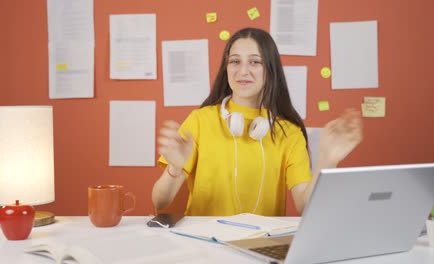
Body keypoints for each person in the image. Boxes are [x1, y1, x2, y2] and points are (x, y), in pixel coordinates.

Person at [152, 27, 363, 216]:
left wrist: (327, 160)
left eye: (255, 61)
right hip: (204, 243)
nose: (243, 71)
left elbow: (304, 206)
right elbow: (159, 202)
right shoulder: (200, 120)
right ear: (226, 69)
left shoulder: (289, 132)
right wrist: (175, 168)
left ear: (270, 70)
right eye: (235, 61)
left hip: (259, 246)